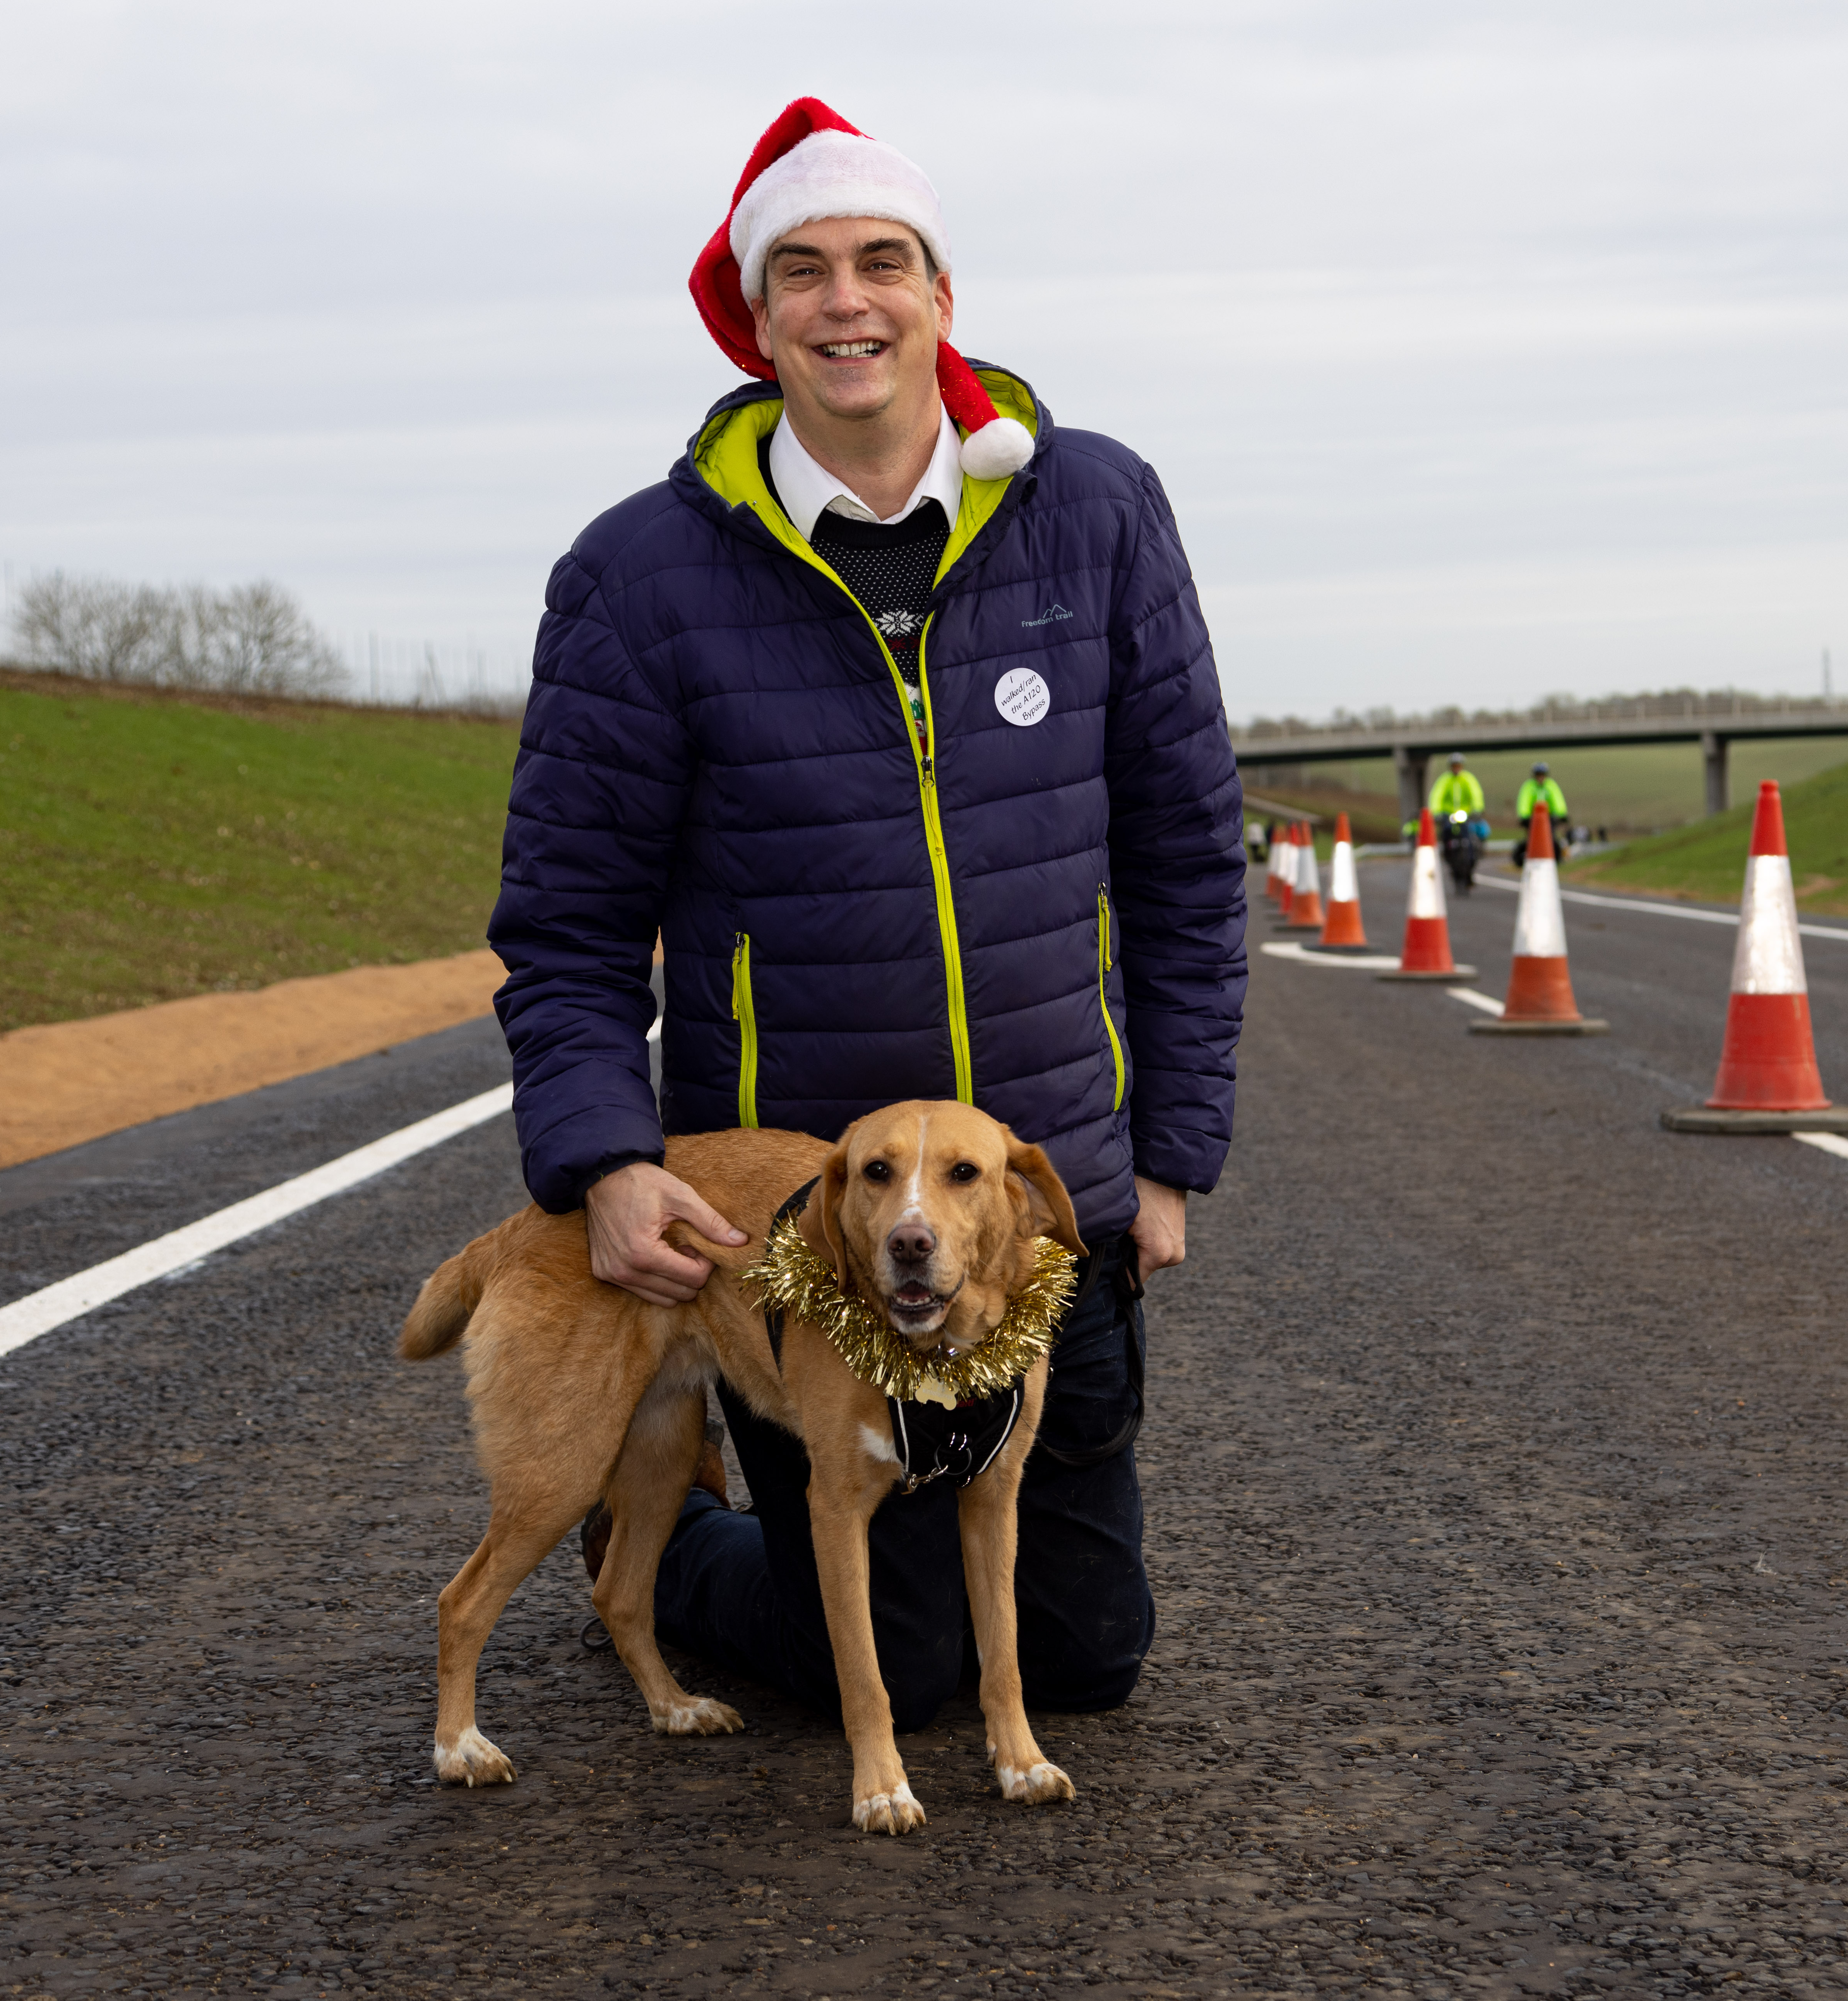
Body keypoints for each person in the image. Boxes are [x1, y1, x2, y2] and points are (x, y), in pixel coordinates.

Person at [487, 98, 1248, 1732]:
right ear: (756, 320)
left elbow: (1186, 856)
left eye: (883, 262)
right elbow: (566, 922)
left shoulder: (1097, 513)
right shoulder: (641, 573)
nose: (850, 301)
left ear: (941, 294)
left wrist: (1171, 1154)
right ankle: (672, 1533)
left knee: (1085, 1658)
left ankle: (701, 1518)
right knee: (891, 1673)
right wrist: (607, 1162)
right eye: (807, 272)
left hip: (1038, 1212)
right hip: (807, 1232)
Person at [1511, 762, 1572, 864]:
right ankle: (1528, 857)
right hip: (1533, 818)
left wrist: (1562, 814)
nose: (1540, 778)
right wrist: (1524, 816)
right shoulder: (1529, 786)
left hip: (1548, 818)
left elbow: (1557, 800)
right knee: (1531, 838)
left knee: (1551, 837)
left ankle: (1554, 858)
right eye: (1538, 775)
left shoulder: (1551, 785)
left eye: (1542, 775)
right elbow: (1524, 801)